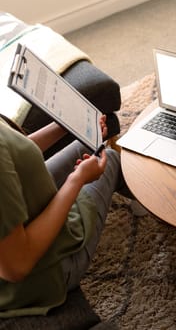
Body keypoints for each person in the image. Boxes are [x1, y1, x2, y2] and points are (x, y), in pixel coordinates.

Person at [0, 115, 122, 317]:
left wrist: (66, 124)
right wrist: (77, 180)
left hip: (29, 212)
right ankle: (157, 201)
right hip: (44, 275)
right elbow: (16, 266)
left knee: (87, 143)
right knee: (109, 158)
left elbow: (14, 152)